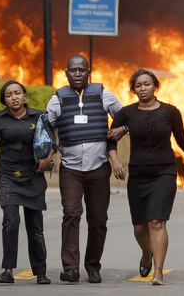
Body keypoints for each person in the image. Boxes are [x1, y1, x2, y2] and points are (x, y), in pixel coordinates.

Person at [107, 68, 184, 285]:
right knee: (139, 227)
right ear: (133, 90)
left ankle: (158, 273)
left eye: (147, 84)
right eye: (138, 85)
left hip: (164, 172)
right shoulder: (126, 113)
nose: (143, 88)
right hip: (137, 174)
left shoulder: (170, 112)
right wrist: (115, 161)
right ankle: (147, 254)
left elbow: (182, 139)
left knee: (156, 221)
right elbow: (110, 139)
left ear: (155, 87)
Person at [41, 54, 123, 284]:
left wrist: (123, 128)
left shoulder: (104, 95)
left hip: (99, 168)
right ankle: (70, 268)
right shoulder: (56, 100)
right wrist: (46, 154)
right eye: (73, 70)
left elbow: (127, 117)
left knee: (98, 220)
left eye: (82, 70)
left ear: (90, 72)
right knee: (71, 214)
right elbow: (47, 132)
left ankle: (93, 267)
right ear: (66, 73)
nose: (77, 74)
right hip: (70, 169)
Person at [0, 81, 51, 285]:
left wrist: (48, 159)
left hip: (33, 176)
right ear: (4, 100)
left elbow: (51, 143)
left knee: (35, 227)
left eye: (17, 93)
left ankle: (40, 272)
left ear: (25, 95)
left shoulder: (38, 117)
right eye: (9, 94)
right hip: (7, 176)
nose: (14, 97)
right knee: (11, 222)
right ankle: (8, 270)